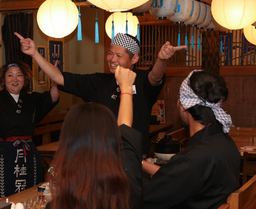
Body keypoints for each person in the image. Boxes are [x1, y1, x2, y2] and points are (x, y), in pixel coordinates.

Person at [41, 66, 159, 209]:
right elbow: (125, 131)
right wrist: (125, 88)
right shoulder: (129, 180)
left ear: (67, 146)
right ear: (111, 141)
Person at [142, 70, 241, 209]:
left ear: (184, 105)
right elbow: (179, 179)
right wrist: (141, 164)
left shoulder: (195, 158)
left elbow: (142, 201)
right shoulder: (222, 142)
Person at [16, 31, 186, 154]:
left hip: (132, 158)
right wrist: (34, 54)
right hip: (100, 157)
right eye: (110, 53)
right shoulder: (98, 81)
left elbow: (156, 76)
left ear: (134, 59)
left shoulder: (141, 79)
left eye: (119, 56)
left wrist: (162, 59)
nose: (112, 59)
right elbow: (59, 78)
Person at [0, 61, 59, 198]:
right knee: (3, 193)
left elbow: (53, 97)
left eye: (19, 75)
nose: (15, 79)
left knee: (31, 191)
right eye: (10, 75)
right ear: (3, 80)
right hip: (2, 152)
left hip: (27, 150)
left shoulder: (32, 99)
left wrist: (55, 79)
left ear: (25, 79)